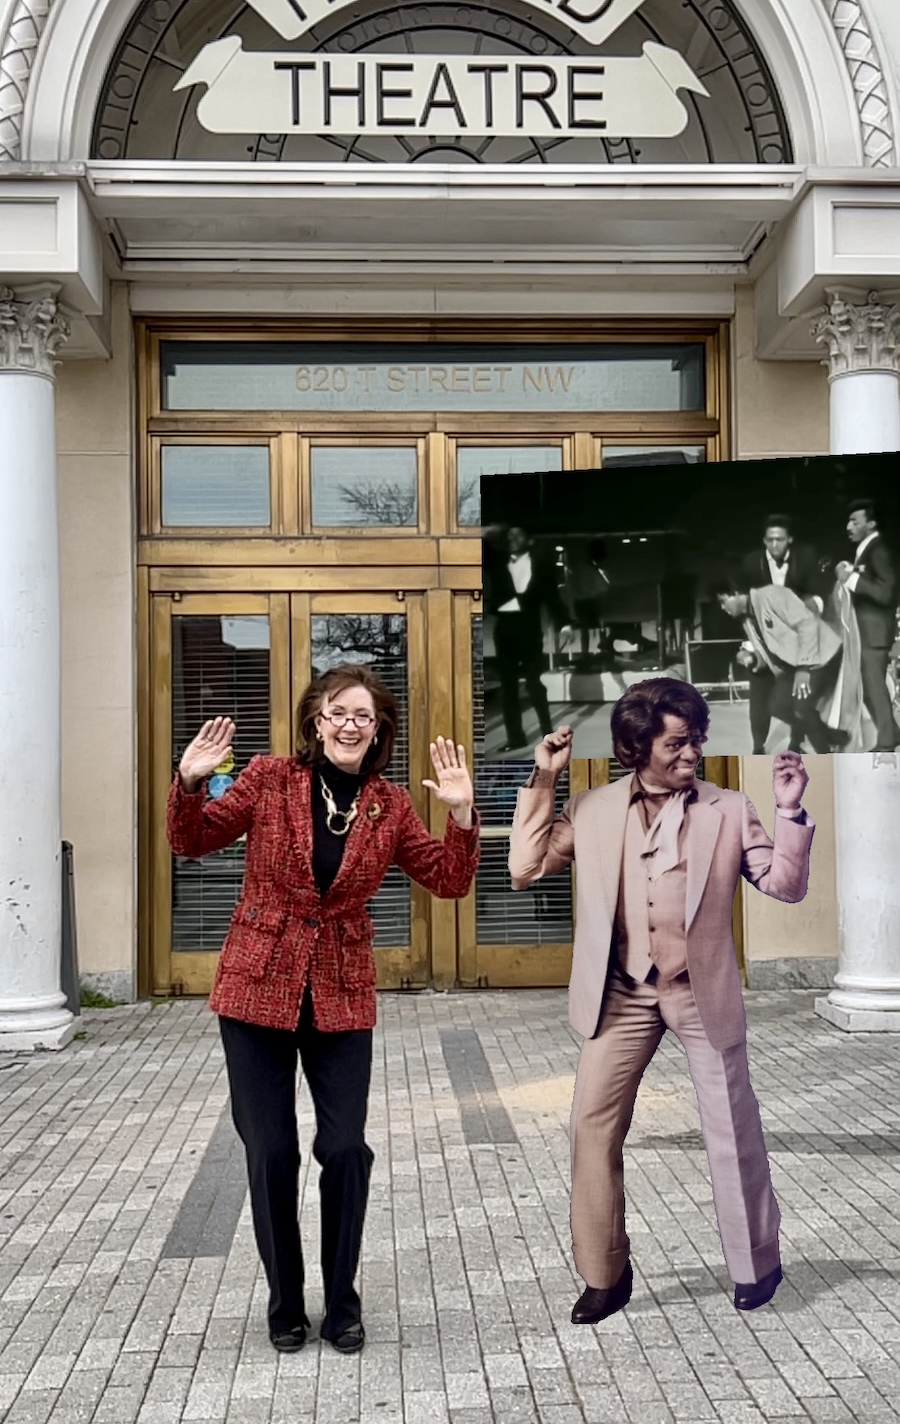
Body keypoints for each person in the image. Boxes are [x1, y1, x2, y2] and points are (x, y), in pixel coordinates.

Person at [166, 665, 480, 1355]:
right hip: (255, 991)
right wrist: (189, 782)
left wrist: (460, 813)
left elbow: (450, 880)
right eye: (337, 712)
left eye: (363, 716)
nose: (348, 725)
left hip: (341, 992)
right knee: (271, 1151)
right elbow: (190, 841)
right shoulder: (270, 779)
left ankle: (341, 1303)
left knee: (345, 1150)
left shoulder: (389, 805)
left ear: (377, 731)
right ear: (315, 721)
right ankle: (285, 1301)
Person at [508, 678, 812, 1322]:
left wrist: (788, 812)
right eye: (677, 742)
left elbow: (784, 887)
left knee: (732, 1127)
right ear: (636, 746)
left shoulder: (729, 810)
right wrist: (542, 781)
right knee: (590, 1126)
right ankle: (604, 1274)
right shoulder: (591, 809)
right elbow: (525, 866)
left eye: (697, 739)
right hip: (620, 992)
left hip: (697, 990)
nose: (692, 752)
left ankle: (757, 1263)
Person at [717, 582, 847, 753]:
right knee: (777, 706)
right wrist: (752, 659)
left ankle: (827, 757)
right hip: (794, 665)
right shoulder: (747, 622)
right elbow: (766, 655)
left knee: (801, 708)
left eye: (723, 601)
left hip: (822, 655)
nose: (722, 608)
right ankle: (831, 735)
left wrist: (804, 668)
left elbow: (807, 623)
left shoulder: (772, 594)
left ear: (735, 593)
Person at [484, 524, 573, 751]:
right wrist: (487, 531)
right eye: (510, 535)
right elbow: (482, 545)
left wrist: (564, 624)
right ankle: (516, 738)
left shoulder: (541, 565)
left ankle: (548, 733)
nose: (513, 538)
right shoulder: (497, 561)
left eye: (518, 534)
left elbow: (553, 598)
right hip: (505, 630)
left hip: (530, 630)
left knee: (535, 683)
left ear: (528, 539)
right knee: (509, 687)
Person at [739, 516, 823, 752]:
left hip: (794, 641)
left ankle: (797, 742)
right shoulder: (750, 563)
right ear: (764, 540)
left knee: (797, 696)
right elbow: (742, 605)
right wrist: (750, 642)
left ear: (790, 540)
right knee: (759, 699)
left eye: (780, 539)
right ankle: (758, 746)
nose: (775, 545)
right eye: (770, 540)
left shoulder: (805, 558)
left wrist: (812, 605)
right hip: (762, 643)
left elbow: (818, 594)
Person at [836, 499, 900, 750]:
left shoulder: (878, 549)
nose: (848, 526)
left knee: (875, 689)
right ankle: (892, 733)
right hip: (866, 635)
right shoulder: (867, 549)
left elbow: (885, 593)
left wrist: (851, 578)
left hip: (874, 635)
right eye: (849, 520)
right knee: (871, 689)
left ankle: (886, 743)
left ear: (871, 524)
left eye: (855, 521)